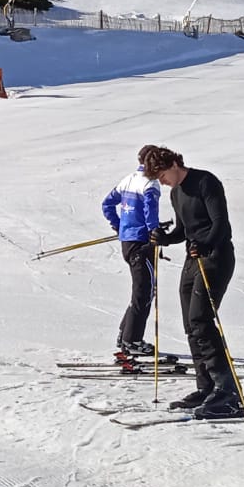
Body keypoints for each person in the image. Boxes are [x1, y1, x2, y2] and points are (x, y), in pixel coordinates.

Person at [143, 145, 244, 419]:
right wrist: (164, 238)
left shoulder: (205, 181)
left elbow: (220, 224)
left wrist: (205, 244)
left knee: (201, 321)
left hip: (216, 257)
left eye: (162, 175)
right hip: (193, 260)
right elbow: (183, 230)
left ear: (174, 165)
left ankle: (229, 393)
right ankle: (207, 387)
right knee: (191, 325)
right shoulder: (177, 192)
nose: (162, 182)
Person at [101, 148, 164, 364]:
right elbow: (149, 211)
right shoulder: (150, 184)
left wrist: (120, 227)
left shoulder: (128, 179)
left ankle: (125, 335)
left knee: (141, 290)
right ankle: (132, 340)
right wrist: (154, 231)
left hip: (128, 242)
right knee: (145, 292)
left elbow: (107, 204)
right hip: (142, 243)